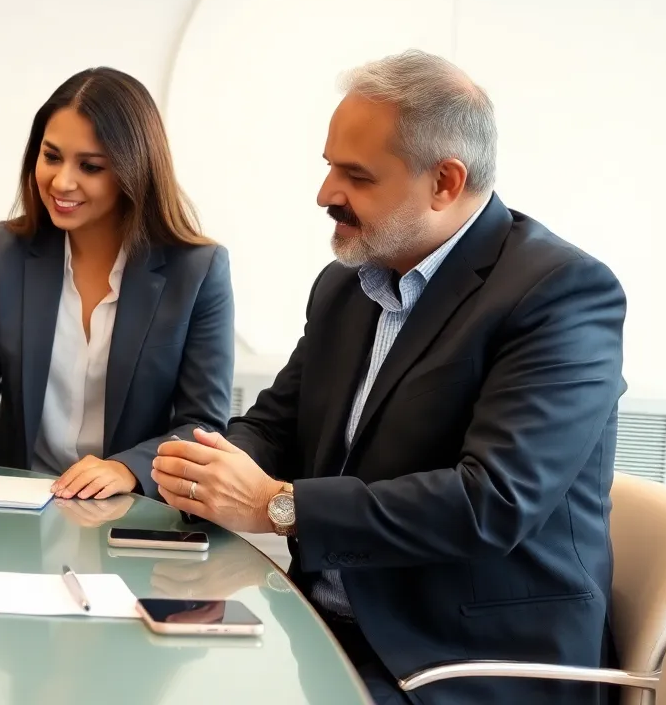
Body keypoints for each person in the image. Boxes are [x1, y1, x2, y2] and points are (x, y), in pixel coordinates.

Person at [151, 50, 624, 704]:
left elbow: (493, 503)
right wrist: (203, 470)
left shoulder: (561, 292)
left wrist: (274, 505)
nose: (325, 196)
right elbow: (278, 425)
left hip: (465, 662)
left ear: (445, 182)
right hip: (327, 628)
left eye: (356, 176)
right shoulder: (347, 287)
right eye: (328, 168)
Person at [0, 67, 234, 499]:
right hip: (17, 506)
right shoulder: (1, 250)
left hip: (130, 510)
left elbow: (202, 424)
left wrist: (128, 468)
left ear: (133, 171)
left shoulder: (198, 269)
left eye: (89, 166)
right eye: (51, 157)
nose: (61, 181)